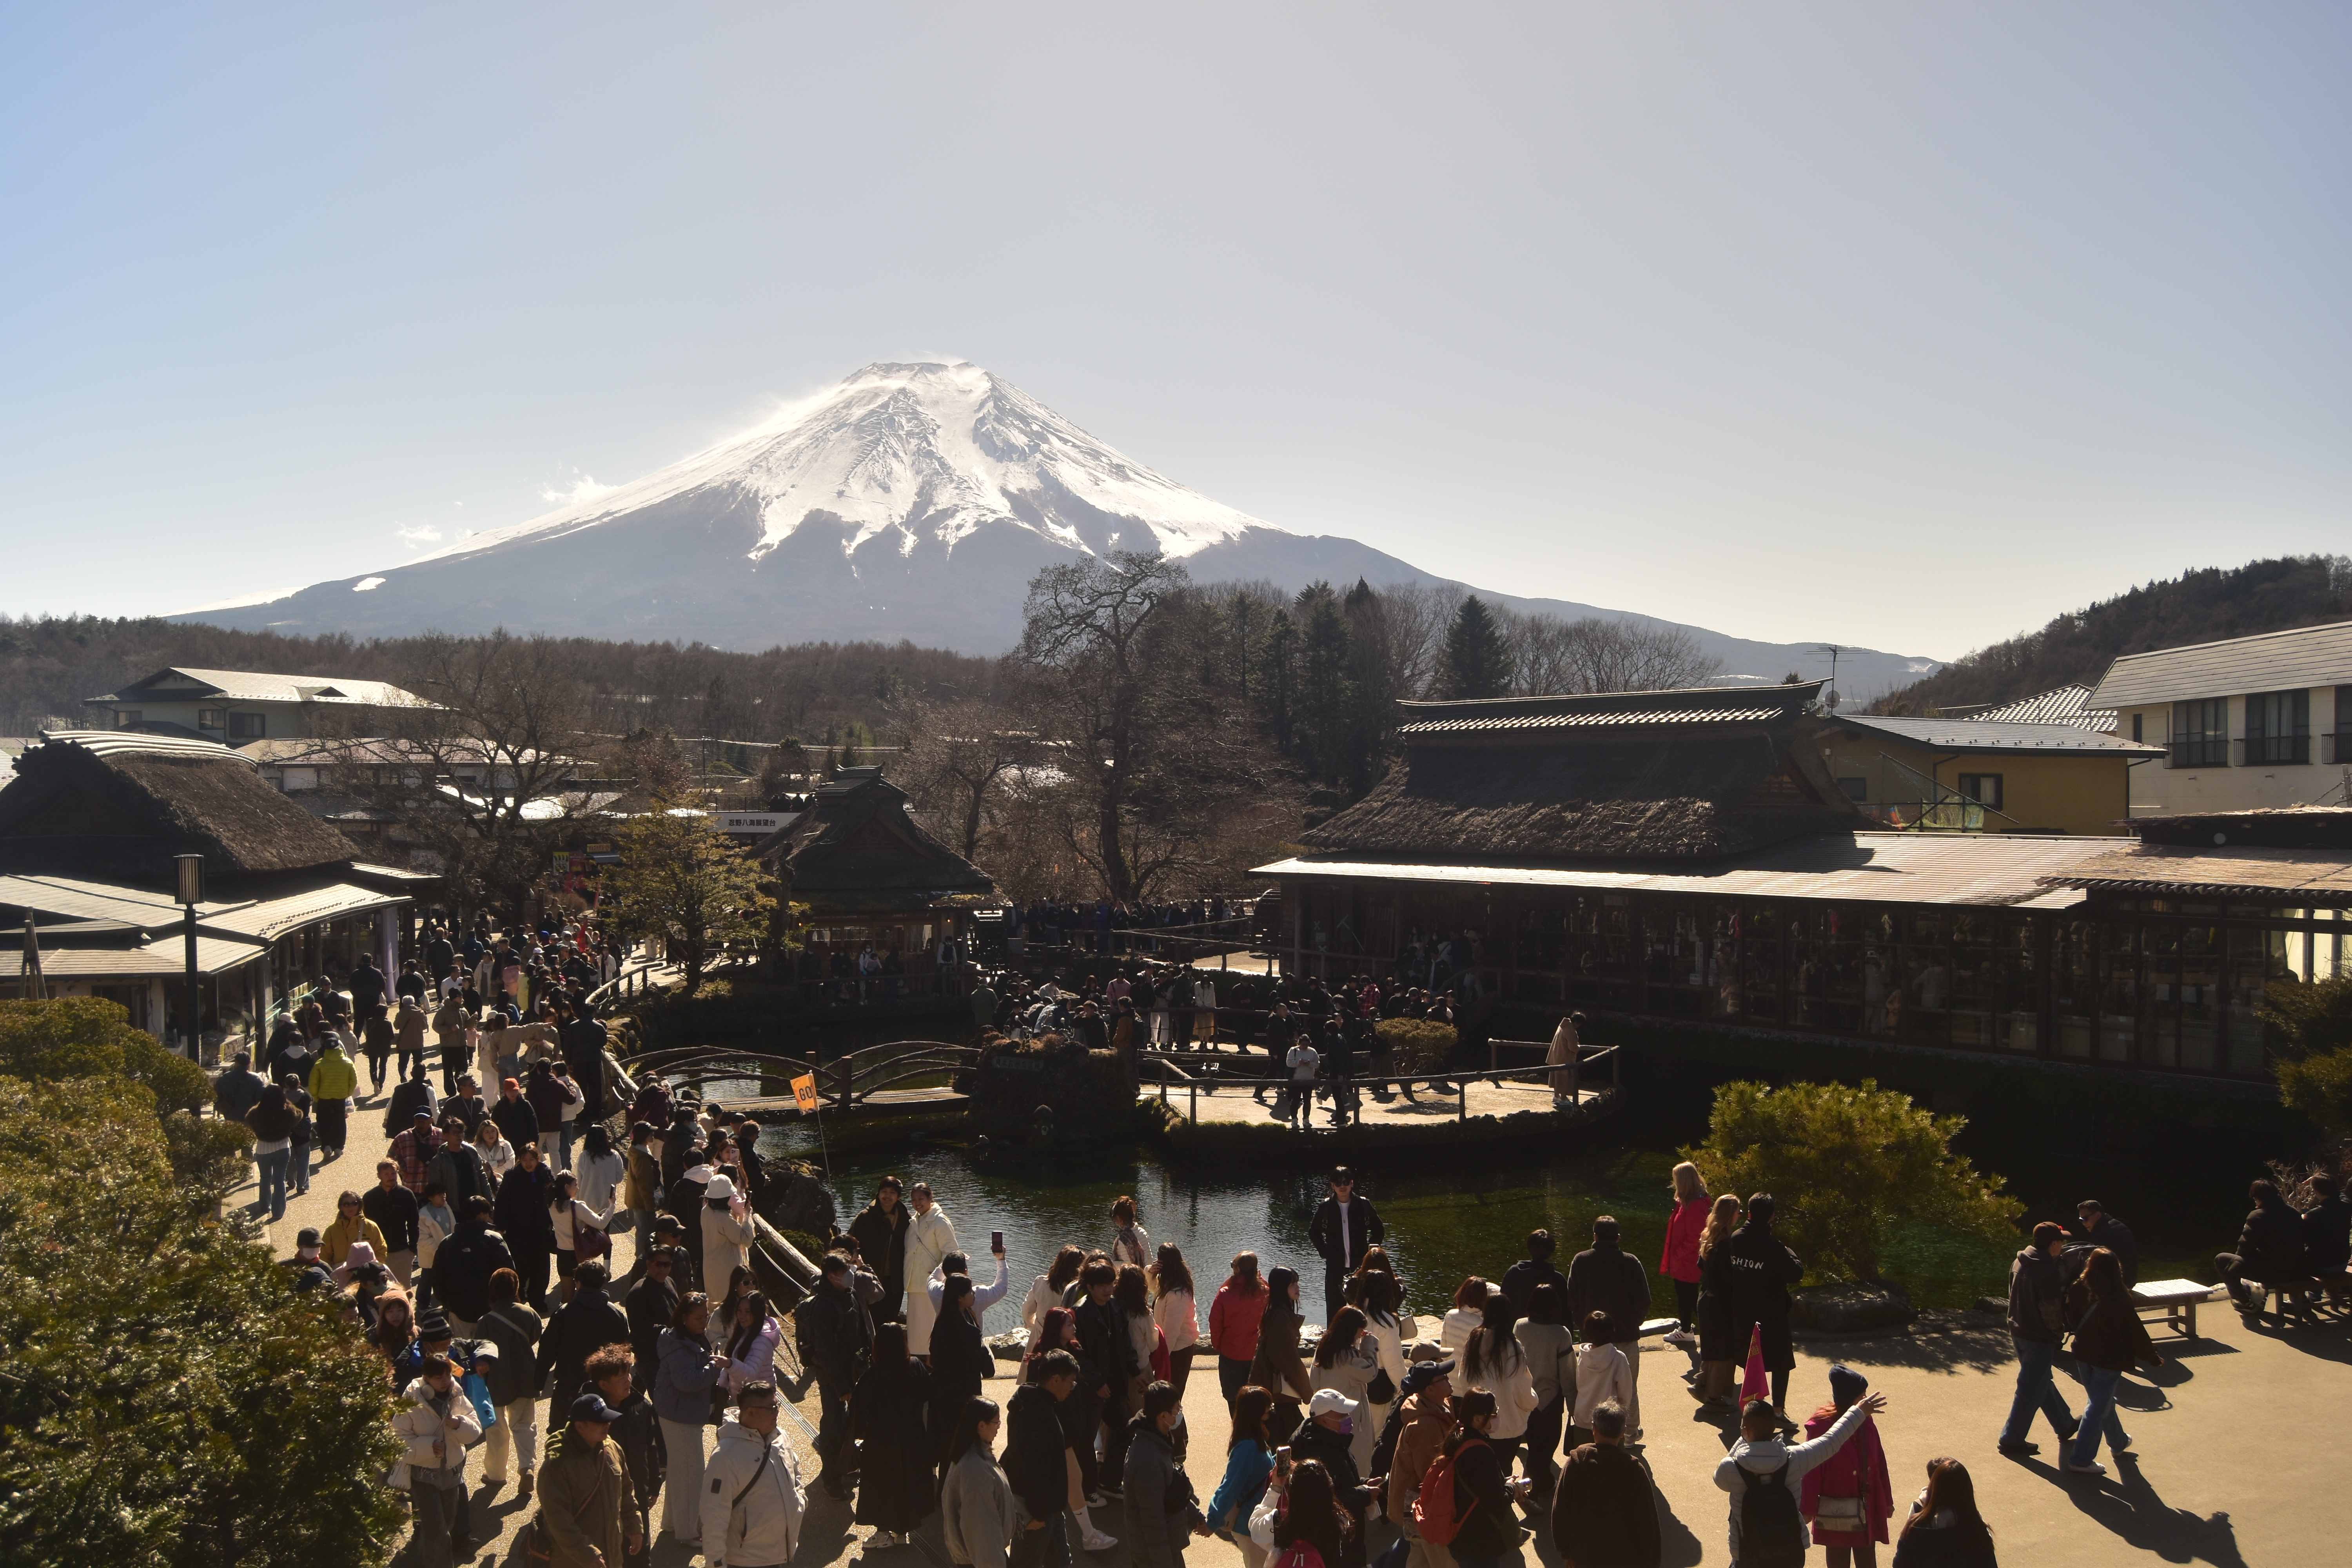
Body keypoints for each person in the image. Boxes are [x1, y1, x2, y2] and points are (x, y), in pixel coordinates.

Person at [1717, 1389, 1887, 1567]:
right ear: (1774, 1428)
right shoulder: (1795, 1459)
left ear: (1745, 1430)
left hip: (1748, 1554)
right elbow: (1832, 1441)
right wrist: (1858, 1412)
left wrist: (1744, 1437)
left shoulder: (1729, 1469)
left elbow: (1723, 1471)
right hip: (1789, 1553)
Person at [2060, 1248, 2163, 1477]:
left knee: (2101, 1401)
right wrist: (2151, 1357)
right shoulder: (2119, 1296)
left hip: (2083, 1353)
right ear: (2116, 1268)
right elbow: (2134, 1332)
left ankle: (2118, 1442)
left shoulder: (2078, 1287)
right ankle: (2081, 1459)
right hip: (2108, 1358)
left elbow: (2070, 1315)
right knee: (2097, 1407)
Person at [700, 1379, 804, 1568]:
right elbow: (714, 1515)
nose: (777, 1412)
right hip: (747, 1560)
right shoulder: (725, 1456)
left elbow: (795, 1473)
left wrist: (799, 1500)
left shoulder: (780, 1438)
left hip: (781, 1553)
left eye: (777, 1405)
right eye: (771, 1408)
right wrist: (716, 1563)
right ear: (750, 1412)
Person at [1995, 1221, 2078, 1456]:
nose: (2063, 1244)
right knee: (2030, 1388)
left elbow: (2011, 1294)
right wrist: (2058, 1333)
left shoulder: (2019, 1261)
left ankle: (2064, 1424)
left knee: (2040, 1379)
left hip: (2017, 1332)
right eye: (2062, 1240)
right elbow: (2050, 1310)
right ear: (2053, 1244)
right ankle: (2011, 1439)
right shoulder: (2048, 1271)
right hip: (2037, 1337)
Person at [394, 1352, 485, 1568]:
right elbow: (397, 1439)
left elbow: (476, 1429)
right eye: (438, 1378)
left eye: (447, 1376)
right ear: (426, 1379)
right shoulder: (411, 1399)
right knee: (438, 1532)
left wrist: (459, 1424)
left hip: (452, 1474)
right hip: (424, 1477)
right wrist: (428, 1447)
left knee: (448, 1525)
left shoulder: (456, 1393)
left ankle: (423, 1557)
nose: (445, 1382)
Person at [793, 1252, 871, 1500]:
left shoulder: (849, 1295)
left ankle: (846, 1464)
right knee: (833, 1428)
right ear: (831, 1277)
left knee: (851, 1424)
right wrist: (841, 1388)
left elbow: (862, 1333)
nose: (850, 1274)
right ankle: (831, 1480)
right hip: (833, 1379)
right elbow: (826, 1354)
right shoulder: (823, 1307)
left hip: (852, 1372)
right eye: (845, 1271)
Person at [537, 1391, 645, 1568]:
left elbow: (626, 1491)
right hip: (574, 1561)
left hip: (611, 1557)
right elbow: (558, 1519)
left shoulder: (613, 1449)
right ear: (580, 1426)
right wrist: (586, 1553)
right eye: (600, 1422)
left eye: (608, 1419)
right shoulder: (557, 1466)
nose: (607, 1425)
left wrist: (634, 1527)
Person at [654, 1291, 728, 1548]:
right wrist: (715, 1367)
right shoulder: (680, 1346)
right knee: (692, 1474)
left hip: (679, 1413)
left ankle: (673, 1523)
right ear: (684, 1318)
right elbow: (688, 1382)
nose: (704, 1321)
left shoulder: (686, 1339)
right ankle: (688, 1532)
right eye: (699, 1317)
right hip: (679, 1416)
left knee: (678, 1471)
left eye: (706, 1316)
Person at [851, 1321, 933, 1548]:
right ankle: (902, 1531)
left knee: (882, 1485)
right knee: (907, 1483)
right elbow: (929, 1394)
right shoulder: (916, 1367)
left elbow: (859, 1406)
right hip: (913, 1437)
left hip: (882, 1439)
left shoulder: (875, 1374)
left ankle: (884, 1532)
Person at [1566, 1216, 1650, 1436]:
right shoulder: (1631, 1262)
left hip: (1592, 1338)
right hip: (1625, 1336)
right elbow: (1644, 1301)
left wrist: (1583, 1325)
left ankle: (1592, 1429)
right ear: (1618, 1238)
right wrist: (1633, 1323)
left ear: (1595, 1236)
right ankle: (1629, 1432)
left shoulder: (1581, 1260)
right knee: (1628, 1389)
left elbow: (1572, 1299)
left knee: (1590, 1387)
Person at [1550, 1400, 1660, 1568]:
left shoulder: (1574, 1465)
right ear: (1623, 1432)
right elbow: (1647, 1526)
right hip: (1625, 1560)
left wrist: (1567, 1553)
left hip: (1584, 1556)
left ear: (1593, 1428)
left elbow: (1561, 1514)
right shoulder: (1635, 1472)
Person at [583, 1344, 665, 1568]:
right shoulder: (589, 1415)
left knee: (639, 1555)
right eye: (621, 1377)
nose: (629, 1380)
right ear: (603, 1385)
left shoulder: (642, 1407)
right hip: (603, 1497)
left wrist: (654, 1485)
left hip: (637, 1492)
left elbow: (651, 1447)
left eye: (629, 1373)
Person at [1801, 1366, 1893, 1566]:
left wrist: (1886, 1499)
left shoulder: (1867, 1422)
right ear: (1850, 1399)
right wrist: (1806, 1509)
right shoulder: (1821, 1428)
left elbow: (1879, 1460)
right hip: (1837, 1510)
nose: (1867, 1399)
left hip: (1867, 1505)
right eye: (1862, 1395)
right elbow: (1812, 1471)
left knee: (1868, 1562)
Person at [1723, 1194, 1804, 1419]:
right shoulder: (1773, 1246)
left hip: (1741, 1311)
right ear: (1772, 1217)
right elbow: (1795, 1273)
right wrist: (1790, 1252)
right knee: (1780, 1362)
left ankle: (1750, 1409)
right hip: (1771, 1314)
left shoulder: (1736, 1238)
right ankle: (1778, 1411)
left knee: (1748, 1359)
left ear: (1748, 1214)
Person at [1007, 1349, 1083, 1568]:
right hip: (1039, 1511)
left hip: (1049, 1507)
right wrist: (1038, 1515)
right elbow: (1036, 1470)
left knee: (1060, 1561)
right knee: (1027, 1561)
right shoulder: (1043, 1418)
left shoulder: (1025, 1403)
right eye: (1071, 1382)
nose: (1072, 1388)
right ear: (1056, 1380)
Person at [1124, 1380, 1211, 1568]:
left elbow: (1171, 1491)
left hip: (1163, 1550)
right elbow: (1152, 1521)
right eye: (1177, 1410)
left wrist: (1195, 1517)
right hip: (1155, 1556)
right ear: (1163, 1415)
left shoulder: (1158, 1440)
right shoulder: (1147, 1460)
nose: (1180, 1413)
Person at [477, 1267, 546, 1501]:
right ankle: (527, 1466)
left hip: (495, 1381)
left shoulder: (486, 1321)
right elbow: (535, 1336)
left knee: (496, 1428)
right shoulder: (529, 1313)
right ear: (517, 1288)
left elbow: (479, 1351)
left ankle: (496, 1474)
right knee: (525, 1424)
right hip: (525, 1375)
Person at [1433, 1390, 1519, 1568]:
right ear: (1478, 1419)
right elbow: (1495, 1502)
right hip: (1478, 1542)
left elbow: (1476, 1483)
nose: (1497, 1418)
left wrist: (1501, 1481)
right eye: (1494, 1414)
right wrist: (1512, 1488)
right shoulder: (1480, 1452)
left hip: (1461, 1537)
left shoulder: (1458, 1438)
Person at [1384, 1359, 1457, 1568]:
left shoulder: (1439, 1405)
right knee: (1441, 1560)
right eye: (1444, 1378)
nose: (1449, 1379)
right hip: (1421, 1506)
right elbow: (1430, 1475)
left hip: (1418, 1504)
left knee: (1419, 1558)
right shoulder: (1425, 1426)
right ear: (1431, 1390)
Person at [1459, 1292, 1537, 1479]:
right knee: (1503, 1475)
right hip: (1507, 1424)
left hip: (1477, 1424)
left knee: (1479, 1475)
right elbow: (1522, 1387)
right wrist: (1531, 1403)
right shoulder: (1512, 1345)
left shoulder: (1474, 1339)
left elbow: (1463, 1379)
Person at [931, 1275, 994, 1483]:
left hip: (944, 1396)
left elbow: (937, 1361)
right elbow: (984, 1367)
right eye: (970, 1292)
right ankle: (953, 1492)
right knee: (960, 1446)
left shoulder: (943, 1323)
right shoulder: (968, 1329)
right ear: (960, 1297)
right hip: (962, 1398)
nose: (974, 1294)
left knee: (948, 1446)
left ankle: (945, 1491)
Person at [541, 1257, 631, 1399]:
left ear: (579, 1284)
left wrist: (539, 1380)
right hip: (604, 1383)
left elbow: (548, 1348)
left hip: (568, 1382)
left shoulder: (564, 1313)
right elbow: (624, 1350)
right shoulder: (616, 1314)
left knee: (560, 1421)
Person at [943, 1395, 1017, 1568]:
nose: (999, 1428)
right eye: (996, 1423)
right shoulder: (975, 1468)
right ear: (981, 1425)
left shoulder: (972, 1456)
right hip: (982, 1559)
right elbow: (982, 1529)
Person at [2216, 1178, 2308, 1315]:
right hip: (2299, 1269)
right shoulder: (2293, 1212)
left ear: (2257, 1198)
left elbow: (2244, 1249)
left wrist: (2241, 1262)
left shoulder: (2257, 1216)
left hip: (2274, 1272)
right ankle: (2302, 1301)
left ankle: (2244, 1302)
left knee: (2221, 1259)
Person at [1515, 1283, 1575, 1493]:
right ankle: (1537, 1487)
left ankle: (1532, 1486)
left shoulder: (1519, 1327)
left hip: (1522, 1397)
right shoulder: (1561, 1334)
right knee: (1545, 1449)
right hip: (1549, 1402)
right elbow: (1568, 1375)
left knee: (1532, 1447)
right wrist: (1574, 1406)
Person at [1209, 1387, 1278, 1568]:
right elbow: (1230, 1486)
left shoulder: (1253, 1440)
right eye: (1267, 1405)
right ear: (1256, 1410)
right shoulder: (1246, 1447)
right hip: (1249, 1528)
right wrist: (1212, 1521)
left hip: (1257, 1523)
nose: (1271, 1408)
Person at [1310, 1309, 1381, 1479]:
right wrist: (1369, 1346)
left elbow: (1313, 1382)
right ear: (1352, 1330)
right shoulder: (1346, 1356)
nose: (1360, 1335)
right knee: (1357, 1465)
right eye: (1359, 1330)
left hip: (1326, 1414)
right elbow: (1370, 1372)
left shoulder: (1324, 1348)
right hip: (1351, 1417)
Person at [1246, 1265, 1313, 1443]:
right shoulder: (1281, 1317)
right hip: (1277, 1394)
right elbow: (1288, 1358)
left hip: (1271, 1390)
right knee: (1290, 1440)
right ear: (1282, 1288)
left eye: (1297, 1283)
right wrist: (1308, 1393)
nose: (1297, 1288)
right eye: (1292, 1284)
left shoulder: (1275, 1310)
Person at [1889, 1458, 1997, 1568]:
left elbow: (1900, 1565)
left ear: (1933, 1489)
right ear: (1967, 1491)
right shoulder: (1978, 1531)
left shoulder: (1915, 1526)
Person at [1249, 1455, 1352, 1568]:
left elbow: (1255, 1526)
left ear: (1293, 1492)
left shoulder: (1280, 1522)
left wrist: (1275, 1488)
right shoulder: (1339, 1521)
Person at [1310, 1167, 1385, 1321]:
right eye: (1338, 1183)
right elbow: (1314, 1232)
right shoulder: (1326, 1207)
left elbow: (1379, 1229)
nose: (1342, 1187)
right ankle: (1335, 1343)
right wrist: (1325, 1252)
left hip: (1360, 1266)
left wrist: (1370, 1252)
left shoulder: (1363, 1205)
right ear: (1332, 1186)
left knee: (1363, 1309)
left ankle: (1365, 1342)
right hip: (1335, 1268)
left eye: (1346, 1182)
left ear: (1352, 1184)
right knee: (1334, 1312)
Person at [497, 1141, 558, 1307]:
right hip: (518, 1230)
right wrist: (501, 1226)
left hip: (541, 1229)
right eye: (524, 1160)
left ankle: (538, 1299)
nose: (528, 1163)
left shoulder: (545, 1174)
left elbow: (555, 1199)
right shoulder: (512, 1176)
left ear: (538, 1159)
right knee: (521, 1267)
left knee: (541, 1268)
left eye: (531, 1159)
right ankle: (519, 1297)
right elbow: (503, 1201)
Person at [904, 1182, 958, 1357]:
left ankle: (932, 1363)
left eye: (921, 1199)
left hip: (930, 1283)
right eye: (913, 1200)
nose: (917, 1203)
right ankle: (918, 1362)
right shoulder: (915, 1221)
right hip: (914, 1283)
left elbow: (952, 1252)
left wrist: (938, 1275)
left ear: (930, 1198)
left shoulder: (940, 1221)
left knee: (930, 1328)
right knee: (916, 1329)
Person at [1660, 1163, 1710, 1348]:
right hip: (1682, 1262)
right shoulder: (1686, 1202)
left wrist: (1677, 1254)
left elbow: (1696, 1239)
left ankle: (1700, 1332)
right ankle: (1686, 1330)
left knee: (1689, 1298)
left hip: (1687, 1262)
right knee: (1684, 1297)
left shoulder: (1695, 1206)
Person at [849, 1177, 911, 1323]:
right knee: (872, 1319)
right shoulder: (865, 1217)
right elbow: (850, 1244)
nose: (887, 1196)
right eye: (884, 1192)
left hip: (896, 1279)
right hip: (872, 1276)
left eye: (892, 1193)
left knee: (891, 1318)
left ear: (899, 1196)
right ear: (878, 1194)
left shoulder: (905, 1217)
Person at [1572, 1313, 1636, 1452]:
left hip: (1583, 1418)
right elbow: (1626, 1394)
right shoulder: (1618, 1358)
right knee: (1612, 1465)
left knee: (1584, 1461)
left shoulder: (1583, 1356)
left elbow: (1579, 1384)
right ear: (1613, 1330)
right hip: (1610, 1422)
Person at [1209, 1252, 1267, 1405]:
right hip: (1255, 1354)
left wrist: (1217, 1345)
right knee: (1255, 1400)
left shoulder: (1226, 1294)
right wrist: (1259, 1278)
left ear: (1237, 1269)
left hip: (1231, 1353)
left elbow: (1215, 1323)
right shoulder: (1264, 1292)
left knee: (1234, 1399)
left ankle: (1238, 1426)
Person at [245, 1083, 299, 1221]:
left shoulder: (256, 1113)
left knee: (265, 1178)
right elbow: (299, 1115)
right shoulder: (287, 1111)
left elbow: (248, 1119)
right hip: (282, 1148)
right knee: (280, 1180)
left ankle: (264, 1206)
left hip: (263, 1149)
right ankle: (279, 1211)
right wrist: (286, 1102)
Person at [365, 1159, 422, 1285]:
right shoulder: (370, 1198)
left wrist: (412, 1249)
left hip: (402, 1253)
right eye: (386, 1174)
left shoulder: (406, 1195)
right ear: (379, 1176)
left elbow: (414, 1223)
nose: (391, 1177)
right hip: (378, 1254)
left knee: (403, 1292)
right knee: (380, 1293)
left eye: (393, 1173)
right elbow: (366, 1227)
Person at [308, 1031, 359, 1160]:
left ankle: (327, 1146)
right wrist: (348, 1093)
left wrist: (316, 1096)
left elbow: (313, 1082)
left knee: (324, 1122)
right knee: (340, 1122)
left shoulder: (320, 1064)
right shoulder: (347, 1063)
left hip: (324, 1098)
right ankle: (338, 1147)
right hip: (341, 1097)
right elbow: (354, 1080)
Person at [1026, 1245, 1089, 1350]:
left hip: (1039, 1337)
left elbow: (1027, 1311)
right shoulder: (1078, 1290)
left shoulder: (1041, 1283)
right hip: (1067, 1342)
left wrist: (1035, 1326)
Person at [1498, 1229, 1566, 1318]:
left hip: (1515, 1329)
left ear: (1529, 1247)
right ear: (1552, 1250)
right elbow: (1564, 1313)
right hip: (1546, 1331)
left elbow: (1501, 1303)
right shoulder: (1558, 1279)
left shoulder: (1514, 1272)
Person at [2071, 1200, 2138, 1289]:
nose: (2084, 1223)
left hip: (2120, 1286)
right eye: (2081, 1220)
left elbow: (2094, 1265)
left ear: (2098, 1215)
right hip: (2130, 1281)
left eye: (2085, 1219)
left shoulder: (2102, 1233)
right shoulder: (2117, 1225)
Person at [416, 1180, 457, 1310]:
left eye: (444, 1193)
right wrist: (440, 1250)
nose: (443, 1196)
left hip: (447, 1252)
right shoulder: (424, 1215)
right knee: (427, 1279)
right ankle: (422, 1303)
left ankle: (445, 1301)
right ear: (430, 1198)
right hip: (431, 1255)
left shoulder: (446, 1208)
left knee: (445, 1278)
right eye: (439, 1194)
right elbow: (422, 1239)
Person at [323, 1189, 390, 1269]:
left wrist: (374, 1269)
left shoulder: (371, 1227)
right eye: (346, 1204)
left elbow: (381, 1250)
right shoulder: (332, 1231)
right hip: (341, 1276)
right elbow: (324, 1256)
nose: (351, 1207)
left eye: (354, 1204)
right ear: (341, 1207)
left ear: (359, 1206)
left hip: (367, 1274)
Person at [214, 1051, 268, 1123]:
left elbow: (215, 1096)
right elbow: (262, 1101)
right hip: (249, 1119)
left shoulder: (224, 1078)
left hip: (230, 1118)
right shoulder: (257, 1080)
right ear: (249, 1063)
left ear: (236, 1063)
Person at [1111, 1195, 1152, 1269]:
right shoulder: (1143, 1232)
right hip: (1145, 1273)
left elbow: (1128, 1265)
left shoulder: (1123, 1239)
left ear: (1119, 1218)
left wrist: (1111, 1263)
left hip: (1132, 1276)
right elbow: (1149, 1259)